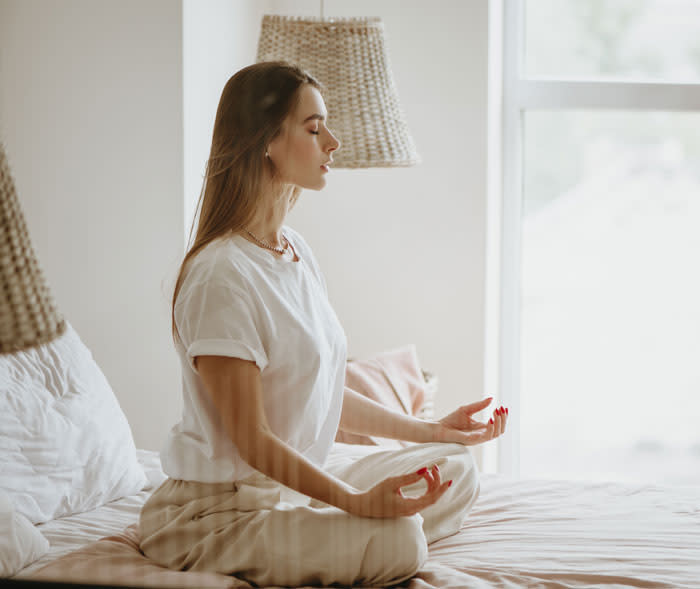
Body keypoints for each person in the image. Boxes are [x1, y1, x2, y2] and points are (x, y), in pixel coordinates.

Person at [138, 61, 509, 587]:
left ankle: (337, 529)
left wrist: (434, 430)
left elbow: (325, 392)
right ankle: (349, 532)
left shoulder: (295, 252)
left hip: (292, 491)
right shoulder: (221, 275)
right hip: (219, 516)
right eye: (315, 129)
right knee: (401, 540)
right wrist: (356, 503)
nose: (332, 142)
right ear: (266, 141)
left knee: (454, 467)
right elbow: (254, 440)